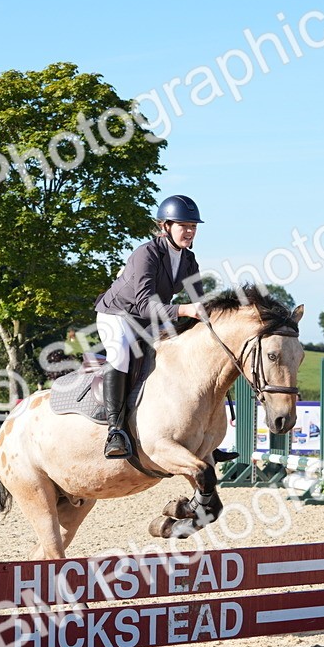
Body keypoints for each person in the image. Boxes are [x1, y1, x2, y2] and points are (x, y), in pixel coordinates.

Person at [93, 194, 206, 458]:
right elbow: (144, 304)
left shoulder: (188, 260)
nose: (189, 232)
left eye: (193, 227)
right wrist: (184, 310)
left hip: (149, 319)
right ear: (165, 226)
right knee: (121, 354)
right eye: (184, 226)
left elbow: (201, 299)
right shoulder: (146, 254)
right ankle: (116, 431)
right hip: (118, 315)